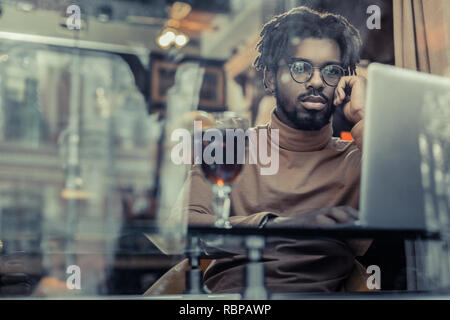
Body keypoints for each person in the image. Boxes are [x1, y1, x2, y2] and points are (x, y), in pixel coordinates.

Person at [147, 6, 371, 295]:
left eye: (331, 71)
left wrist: (364, 117)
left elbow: (422, 214)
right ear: (269, 78)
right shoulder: (231, 146)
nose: (317, 81)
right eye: (300, 67)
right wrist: (284, 227)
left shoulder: (357, 158)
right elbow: (179, 232)